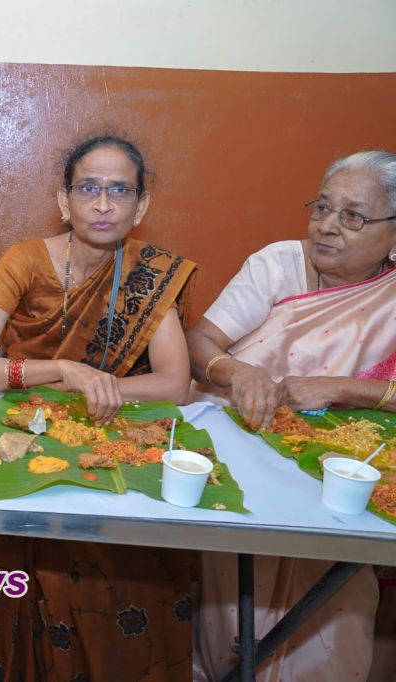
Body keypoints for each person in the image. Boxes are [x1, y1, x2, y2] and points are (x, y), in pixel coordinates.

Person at [0, 135, 198, 681]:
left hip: (107, 441)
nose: (103, 204)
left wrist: (100, 388)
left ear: (141, 206)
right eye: (88, 188)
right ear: (64, 201)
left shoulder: (151, 273)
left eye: (120, 191)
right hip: (24, 440)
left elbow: (175, 384)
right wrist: (60, 370)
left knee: (126, 576)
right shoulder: (25, 261)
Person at [187, 150, 396, 681]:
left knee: (330, 616)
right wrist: (237, 372)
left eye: (353, 216)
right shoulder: (278, 264)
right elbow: (201, 341)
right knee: (227, 611)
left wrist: (341, 387)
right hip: (237, 466)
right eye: (322, 207)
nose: (327, 226)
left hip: (338, 482)